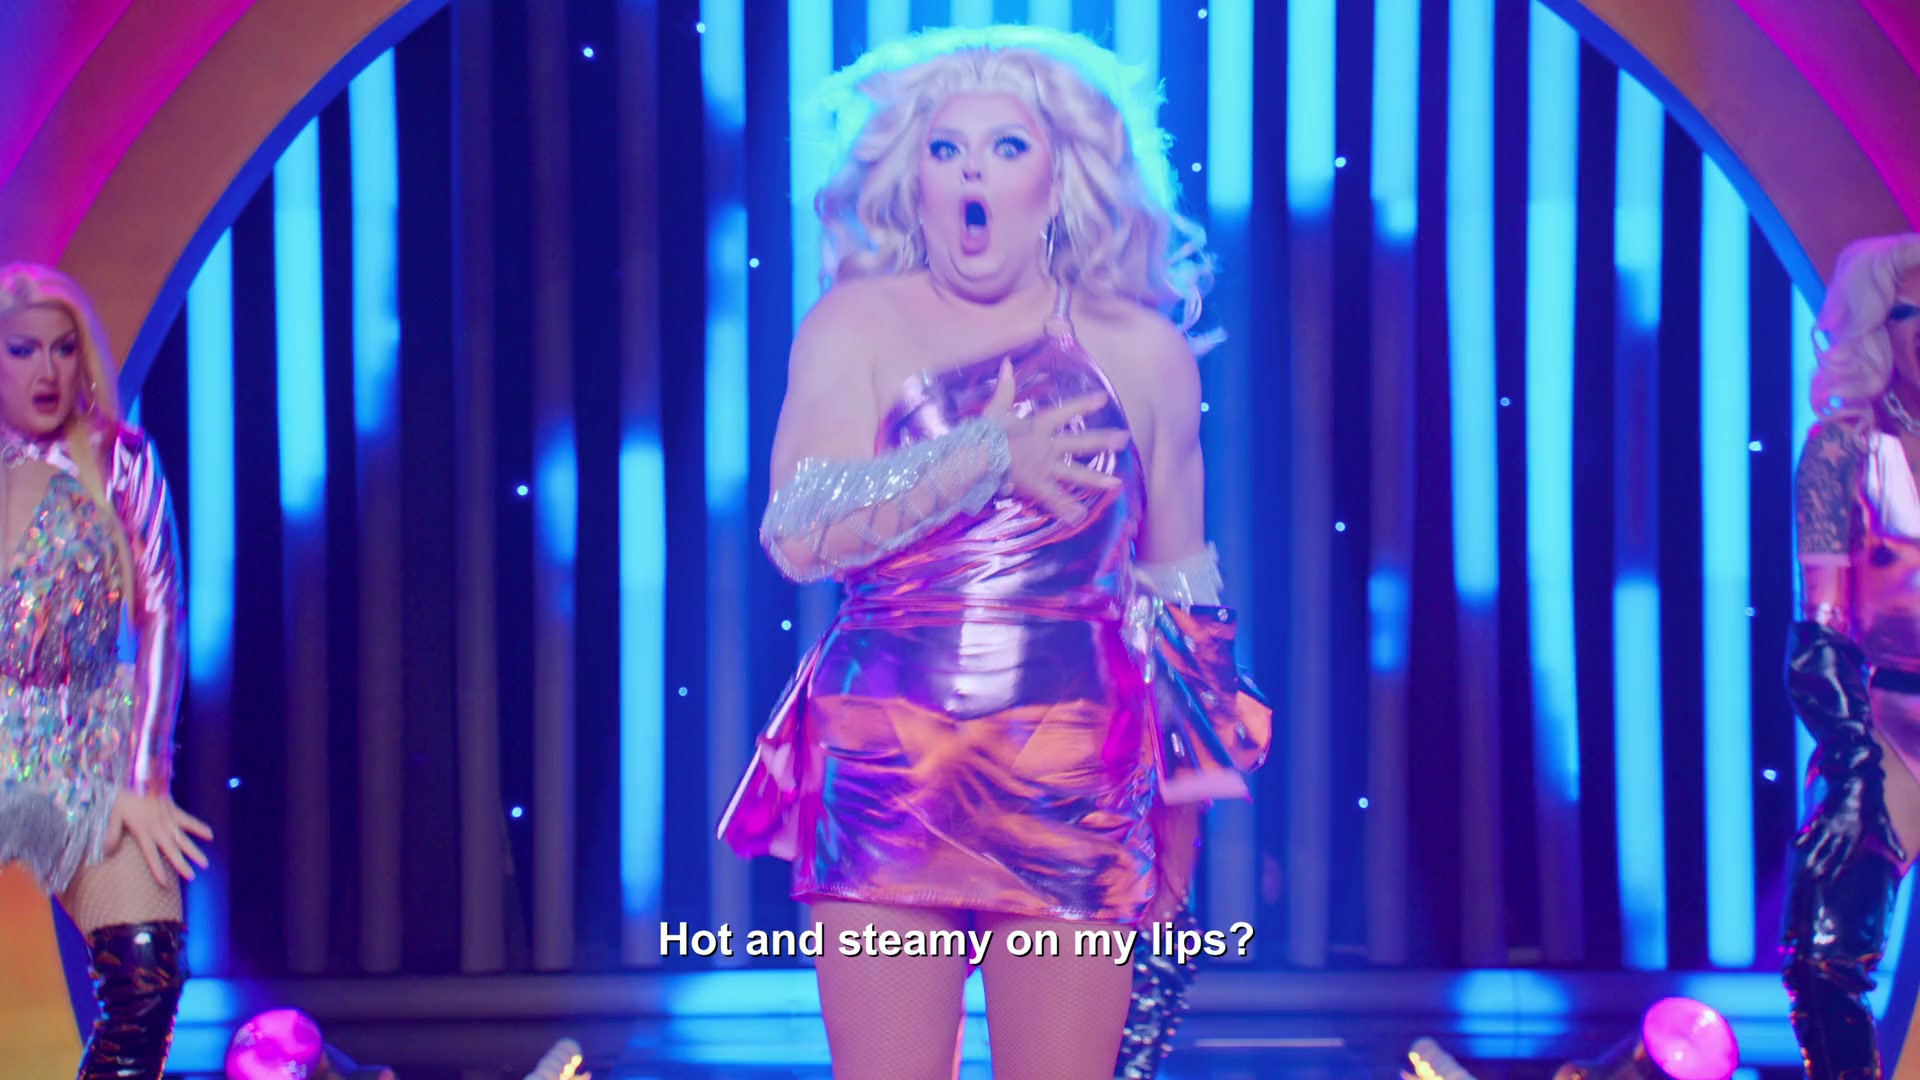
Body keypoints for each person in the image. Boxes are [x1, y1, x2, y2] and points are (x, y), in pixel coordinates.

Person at [716, 25, 1269, 1080]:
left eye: (1006, 147)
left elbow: (1182, 604)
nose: (973, 173)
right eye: (947, 149)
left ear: (1058, 178)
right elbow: (797, 528)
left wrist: (1182, 834)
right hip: (888, 767)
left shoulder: (1145, 352)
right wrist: (979, 457)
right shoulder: (855, 323)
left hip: (1077, 774)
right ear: (915, 182)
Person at [0, 262, 208, 1079]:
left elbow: (161, 615)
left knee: (146, 975)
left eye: (62, 348)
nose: (47, 370)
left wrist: (145, 775)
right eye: (22, 350)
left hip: (83, 740)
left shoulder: (120, 457)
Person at [1785, 232, 1920, 1079]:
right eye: (1907, 311)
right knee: (1822, 958)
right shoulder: (1842, 450)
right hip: (1892, 727)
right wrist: (1853, 767)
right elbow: (1822, 630)